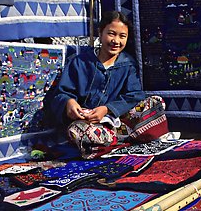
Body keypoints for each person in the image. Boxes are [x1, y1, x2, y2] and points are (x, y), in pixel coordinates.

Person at [49, 10, 168, 158]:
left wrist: (107, 109)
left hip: (117, 120)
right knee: (78, 132)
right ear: (100, 32)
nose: (116, 41)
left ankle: (113, 139)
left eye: (122, 36)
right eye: (111, 34)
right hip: (88, 123)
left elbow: (135, 95)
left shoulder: (127, 64)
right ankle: (119, 139)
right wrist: (69, 103)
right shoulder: (80, 62)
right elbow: (61, 93)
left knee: (156, 103)